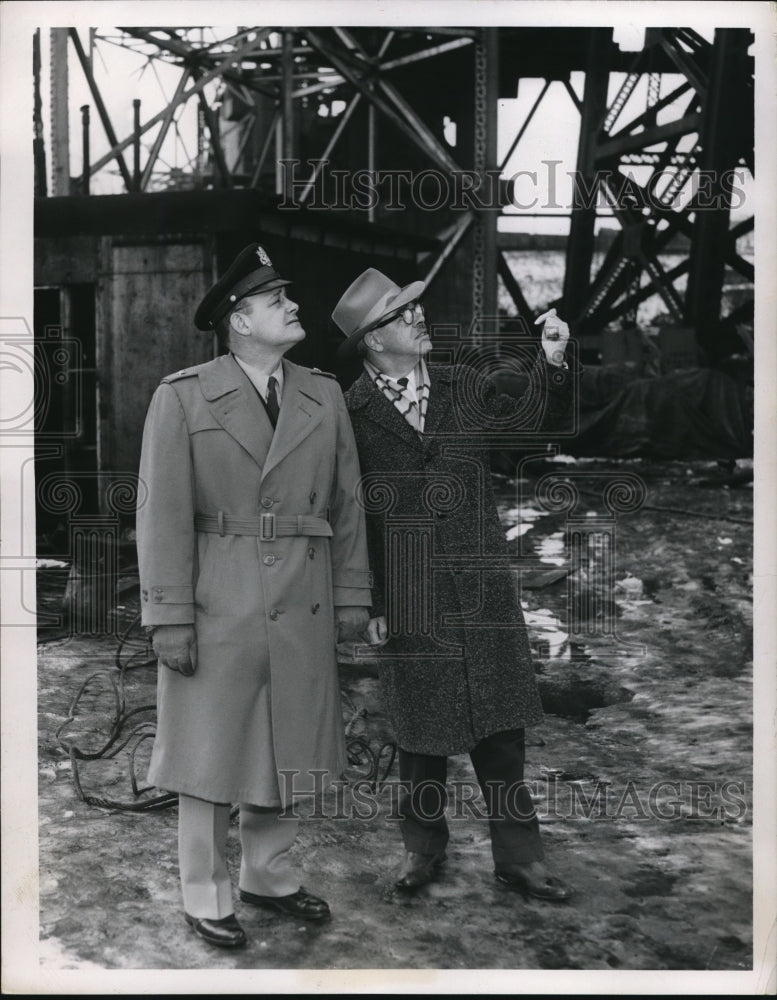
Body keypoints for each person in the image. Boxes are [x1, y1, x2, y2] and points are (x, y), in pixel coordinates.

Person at [136, 244, 372, 948]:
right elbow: (162, 515)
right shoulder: (181, 396)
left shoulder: (322, 393)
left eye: (287, 298)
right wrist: (167, 615)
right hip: (219, 600)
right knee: (208, 756)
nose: (292, 307)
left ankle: (268, 876)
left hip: (303, 594)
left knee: (289, 744)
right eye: (276, 302)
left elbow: (348, 505)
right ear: (238, 321)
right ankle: (204, 892)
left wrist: (352, 595)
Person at [331, 267, 576, 902]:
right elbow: (350, 515)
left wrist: (550, 360)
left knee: (501, 729)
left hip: (481, 585)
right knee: (420, 733)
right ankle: (422, 849)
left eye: (413, 309)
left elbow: (529, 429)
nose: (418, 319)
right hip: (407, 592)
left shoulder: (463, 385)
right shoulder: (349, 412)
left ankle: (519, 857)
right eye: (401, 315)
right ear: (372, 340)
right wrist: (371, 601)